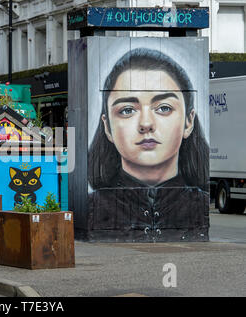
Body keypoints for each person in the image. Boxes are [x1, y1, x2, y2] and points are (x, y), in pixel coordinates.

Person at [88, 48, 209, 242]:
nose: (146, 124)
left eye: (163, 108)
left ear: (188, 122)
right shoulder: (90, 209)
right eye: (127, 110)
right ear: (107, 127)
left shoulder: (201, 207)